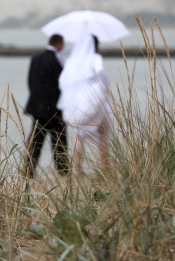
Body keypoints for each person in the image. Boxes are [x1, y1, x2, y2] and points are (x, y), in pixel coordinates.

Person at [57, 33, 112, 173]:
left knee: (79, 135)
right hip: (94, 102)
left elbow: (63, 81)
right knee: (103, 133)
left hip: (77, 103)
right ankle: (105, 164)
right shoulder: (95, 58)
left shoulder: (73, 61)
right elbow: (102, 77)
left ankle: (78, 167)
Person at [24, 34, 69, 177]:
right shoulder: (57, 60)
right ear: (60, 44)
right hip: (55, 109)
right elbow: (61, 85)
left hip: (38, 108)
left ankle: (28, 171)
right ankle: (63, 172)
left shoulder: (36, 58)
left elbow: (30, 82)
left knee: (35, 142)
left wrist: (39, 101)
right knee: (59, 142)